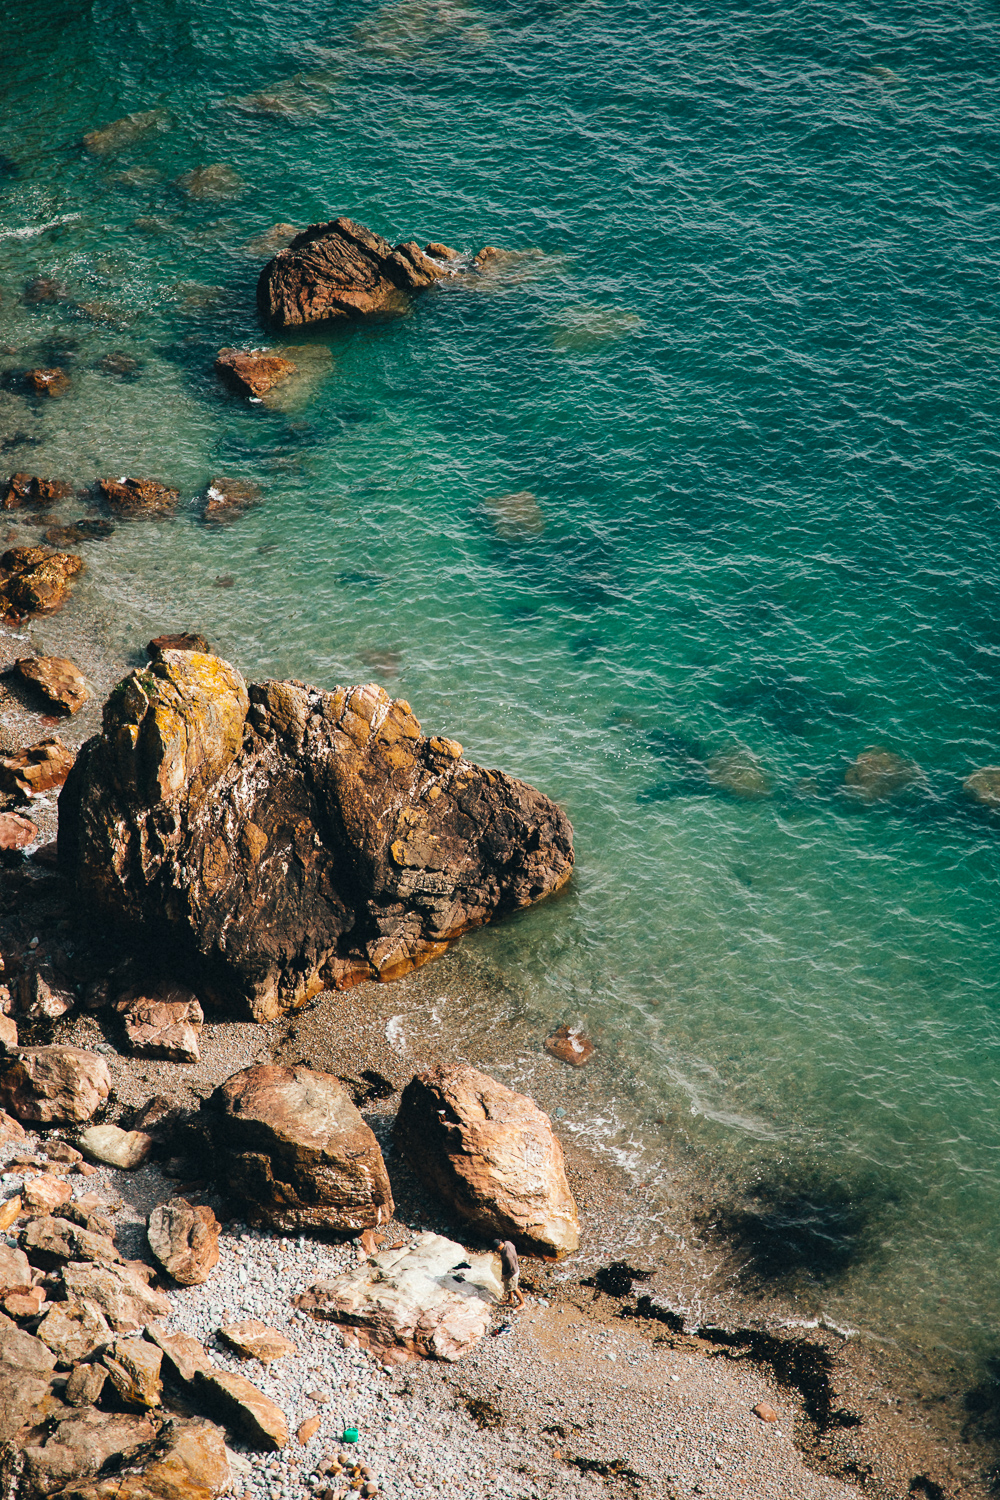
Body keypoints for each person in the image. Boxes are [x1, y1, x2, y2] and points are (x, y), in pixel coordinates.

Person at [494, 1238, 525, 1308]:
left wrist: (506, 1277)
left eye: (497, 1250)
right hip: (510, 1269)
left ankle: (522, 1303)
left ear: (499, 1247)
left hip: (512, 1273)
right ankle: (510, 1299)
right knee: (509, 1286)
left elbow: (513, 1270)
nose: (497, 1251)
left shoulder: (507, 1255)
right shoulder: (507, 1243)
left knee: (514, 1288)